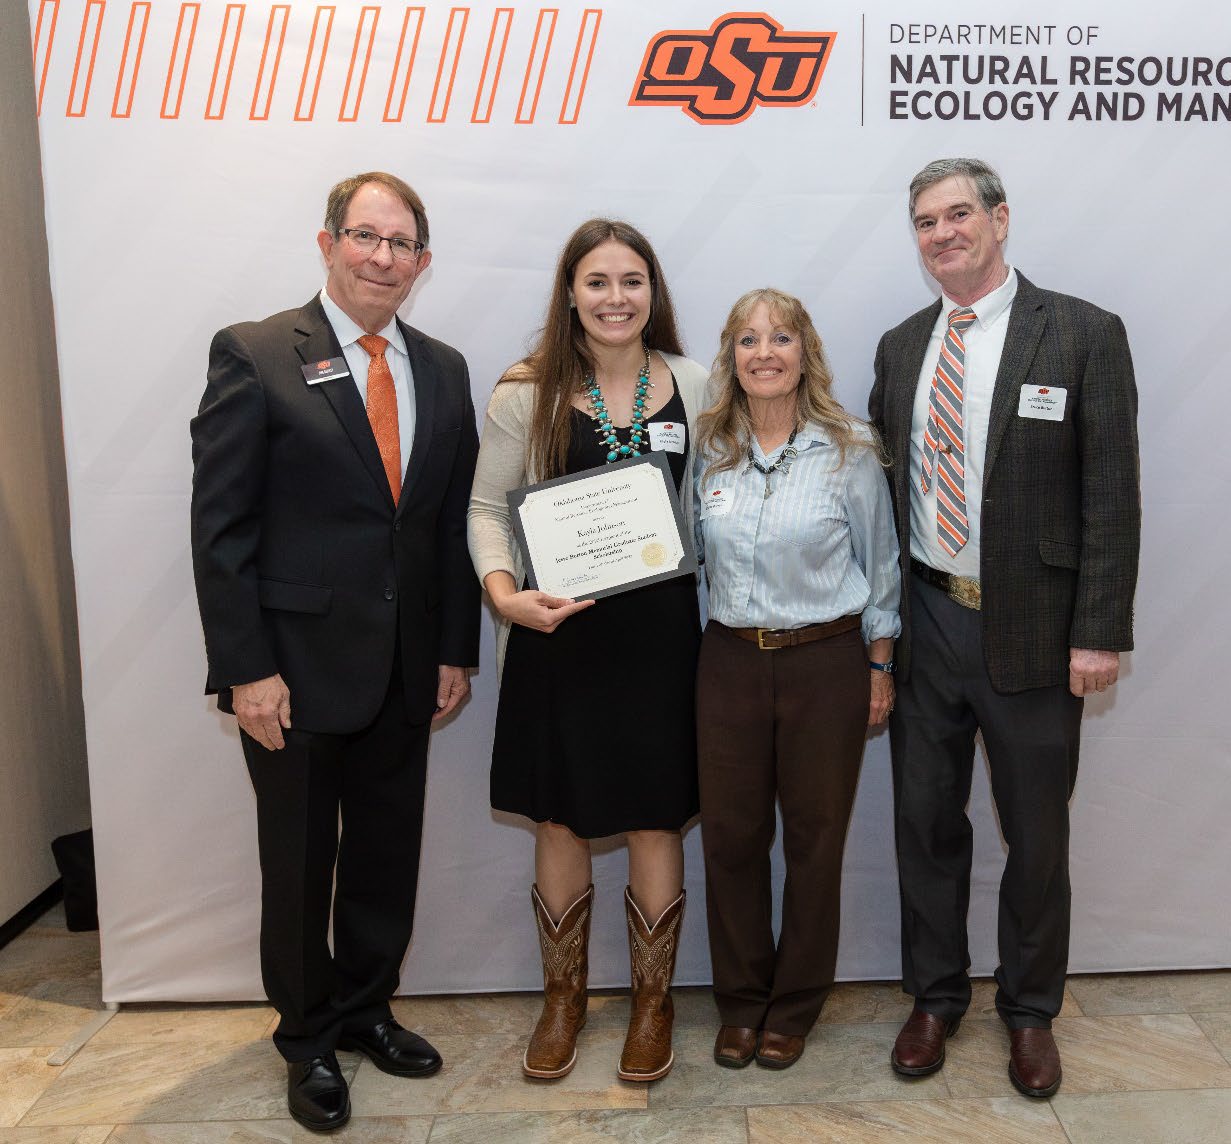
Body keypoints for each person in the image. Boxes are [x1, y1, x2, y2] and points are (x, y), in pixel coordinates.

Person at [190, 172, 481, 1131]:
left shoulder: (442, 368)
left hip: (406, 668)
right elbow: (220, 529)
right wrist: (245, 669)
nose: (382, 258)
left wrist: (453, 650)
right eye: (366, 237)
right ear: (328, 244)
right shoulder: (256, 353)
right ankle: (306, 1037)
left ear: (423, 263)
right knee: (300, 864)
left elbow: (443, 525)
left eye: (402, 245)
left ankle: (365, 1009)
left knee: (384, 858)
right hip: (293, 671)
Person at [868, 157, 1140, 1097]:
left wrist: (1097, 630)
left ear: (999, 218)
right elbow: (882, 492)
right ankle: (935, 998)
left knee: (1036, 837)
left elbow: (1111, 493)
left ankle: (1029, 1013)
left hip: (1034, 633)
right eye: (924, 222)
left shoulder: (1081, 333)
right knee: (924, 827)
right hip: (924, 622)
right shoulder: (901, 347)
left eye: (957, 215)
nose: (942, 234)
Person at [467, 219, 707, 1083]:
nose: (615, 298)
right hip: (556, 636)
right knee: (560, 817)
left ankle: (651, 1004)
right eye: (597, 281)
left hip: (662, 641)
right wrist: (504, 596)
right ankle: (562, 1000)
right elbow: (486, 510)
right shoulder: (525, 391)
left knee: (654, 815)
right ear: (569, 293)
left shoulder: (694, 382)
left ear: (653, 292)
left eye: (631, 280)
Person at [694, 288, 900, 1070]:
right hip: (728, 663)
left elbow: (881, 567)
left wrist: (878, 668)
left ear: (805, 351)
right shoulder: (709, 447)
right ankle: (741, 1002)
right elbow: (680, 557)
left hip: (825, 663)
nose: (764, 353)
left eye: (780, 337)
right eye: (747, 339)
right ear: (731, 356)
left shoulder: (849, 448)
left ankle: (794, 1005)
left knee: (815, 842)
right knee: (731, 840)